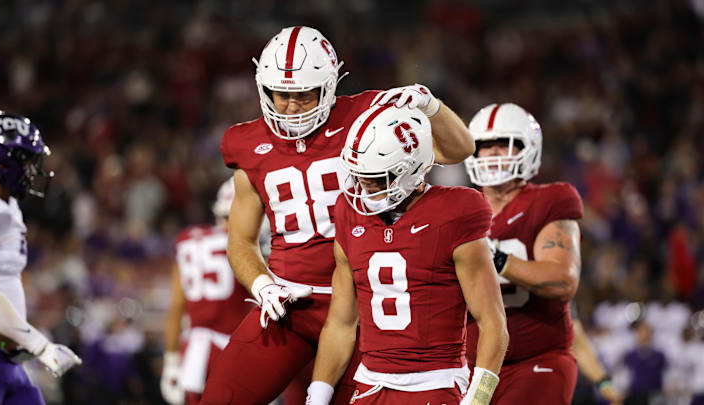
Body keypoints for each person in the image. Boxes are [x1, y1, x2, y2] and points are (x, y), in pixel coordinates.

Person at [200, 25, 476, 405]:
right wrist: (263, 286)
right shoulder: (247, 143)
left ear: (330, 86)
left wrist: (431, 105)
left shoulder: (368, 115)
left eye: (303, 94)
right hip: (290, 304)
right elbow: (241, 240)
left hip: (366, 310)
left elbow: (456, 150)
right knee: (220, 398)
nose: (291, 106)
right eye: (281, 94)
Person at [305, 105, 508, 405]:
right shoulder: (348, 211)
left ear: (411, 171)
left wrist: (477, 400)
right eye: (359, 176)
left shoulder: (456, 211)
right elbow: (340, 323)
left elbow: (493, 323)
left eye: (376, 178)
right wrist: (317, 397)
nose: (364, 188)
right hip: (369, 385)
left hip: (435, 382)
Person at [463, 103, 584, 405]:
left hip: (535, 360)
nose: (491, 154)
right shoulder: (458, 209)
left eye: (503, 145)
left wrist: (494, 257)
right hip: (469, 367)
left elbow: (562, 281)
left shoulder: (551, 200)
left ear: (528, 149)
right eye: (483, 146)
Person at [0, 111, 82, 404]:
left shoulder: (5, 205)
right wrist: (40, 345)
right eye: (26, 161)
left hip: (5, 358)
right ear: (2, 162)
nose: (32, 170)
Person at [160, 178, 253, 404]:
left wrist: (171, 361)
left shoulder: (188, 241)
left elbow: (176, 309)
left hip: (195, 352)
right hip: (234, 352)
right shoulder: (244, 245)